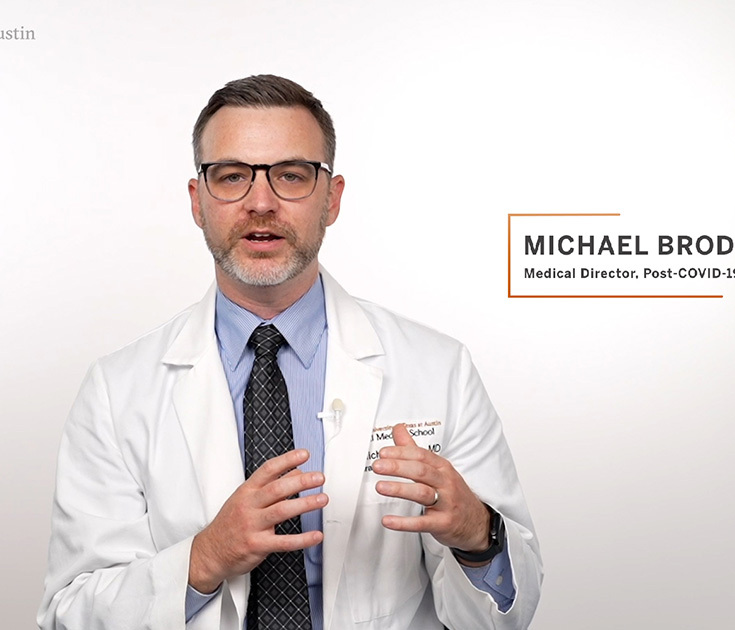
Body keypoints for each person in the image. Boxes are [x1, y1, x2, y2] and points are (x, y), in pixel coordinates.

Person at [37, 75, 542, 630]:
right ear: (197, 201)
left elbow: (505, 614)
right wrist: (206, 558)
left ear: (333, 199)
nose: (260, 203)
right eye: (231, 176)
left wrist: (478, 534)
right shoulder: (116, 391)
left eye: (292, 176)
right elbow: (70, 613)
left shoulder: (437, 369)